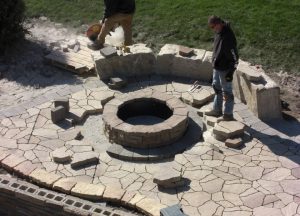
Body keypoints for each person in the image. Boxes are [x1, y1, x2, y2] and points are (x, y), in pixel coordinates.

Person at [205, 15, 239, 121]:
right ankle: (216, 110)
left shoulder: (228, 37)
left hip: (225, 69)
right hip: (217, 67)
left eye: (213, 27)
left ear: (219, 24)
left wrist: (230, 72)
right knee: (216, 87)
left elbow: (234, 57)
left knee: (227, 92)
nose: (212, 29)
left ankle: (228, 115)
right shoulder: (219, 31)